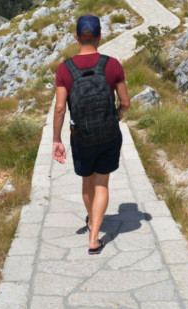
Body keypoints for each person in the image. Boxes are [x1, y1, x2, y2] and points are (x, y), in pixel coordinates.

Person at [53, 14, 130, 255]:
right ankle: (95, 237)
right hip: (108, 135)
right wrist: (116, 116)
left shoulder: (64, 69)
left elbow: (59, 108)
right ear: (99, 37)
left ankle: (90, 222)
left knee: (87, 181)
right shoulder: (112, 64)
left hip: (81, 137)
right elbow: (126, 102)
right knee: (102, 184)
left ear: (77, 37)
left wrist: (57, 140)